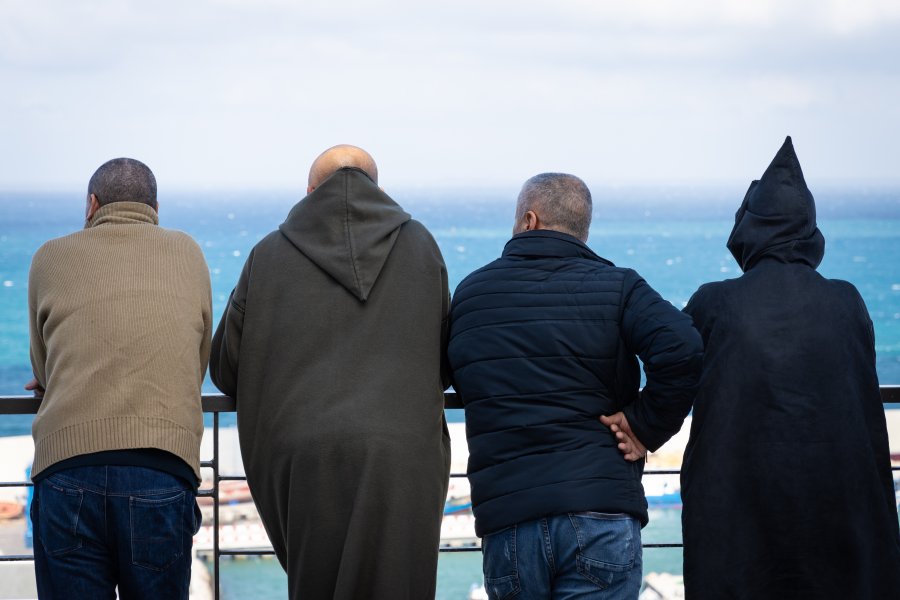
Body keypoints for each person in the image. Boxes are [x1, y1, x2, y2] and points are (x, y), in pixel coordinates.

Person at [209, 145, 451, 599]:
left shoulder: (268, 253)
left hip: (304, 460)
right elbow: (446, 357)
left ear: (308, 192)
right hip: (402, 457)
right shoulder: (420, 243)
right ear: (377, 191)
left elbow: (226, 367)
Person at [446, 173, 703, 599]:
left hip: (509, 516)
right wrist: (645, 425)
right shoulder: (619, 287)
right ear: (582, 230)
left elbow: (453, 371)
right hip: (600, 507)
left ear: (528, 220)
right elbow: (684, 347)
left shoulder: (472, 294)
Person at [678, 137, 900, 598]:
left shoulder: (713, 303)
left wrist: (638, 427)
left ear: (749, 228)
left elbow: (671, 377)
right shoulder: (847, 301)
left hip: (737, 515)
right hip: (837, 510)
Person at [26, 157, 212, 599]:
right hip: (162, 467)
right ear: (156, 208)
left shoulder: (49, 256)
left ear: (92, 204)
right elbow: (197, 359)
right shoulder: (188, 252)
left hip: (68, 468)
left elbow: (42, 364)